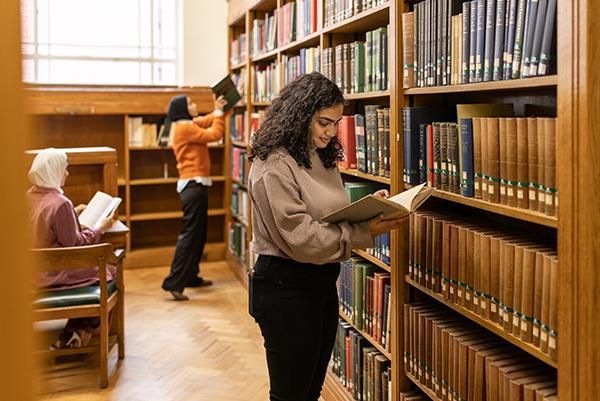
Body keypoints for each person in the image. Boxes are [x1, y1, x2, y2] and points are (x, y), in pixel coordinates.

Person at [247, 72, 405, 401]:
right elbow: (302, 238)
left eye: (336, 122)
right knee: (290, 395)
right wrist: (362, 231)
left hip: (320, 283)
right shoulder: (273, 164)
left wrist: (366, 209)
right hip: (284, 288)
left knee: (311, 391)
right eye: (323, 122)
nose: (331, 132)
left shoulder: (317, 154)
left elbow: (327, 212)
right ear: (300, 115)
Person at [27, 148, 116, 349]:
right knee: (109, 272)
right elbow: (76, 246)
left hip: (32, 272)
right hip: (53, 275)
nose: (67, 173)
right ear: (54, 171)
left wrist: (74, 213)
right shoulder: (60, 203)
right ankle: (78, 332)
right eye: (64, 169)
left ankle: (74, 333)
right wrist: (99, 228)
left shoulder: (28, 196)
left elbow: (44, 225)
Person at [161, 94, 228, 301]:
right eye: (190, 103)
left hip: (195, 185)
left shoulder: (186, 124)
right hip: (193, 186)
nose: (194, 105)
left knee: (198, 234)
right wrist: (218, 113)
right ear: (182, 108)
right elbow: (214, 133)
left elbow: (206, 120)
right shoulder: (185, 128)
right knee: (190, 235)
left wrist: (218, 111)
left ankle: (191, 276)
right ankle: (174, 282)